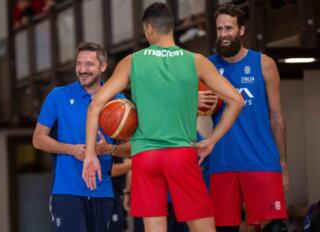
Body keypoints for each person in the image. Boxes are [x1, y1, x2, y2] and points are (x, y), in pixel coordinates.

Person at [82, 2, 244, 232]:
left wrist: (90, 154)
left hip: (145, 156)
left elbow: (95, 105)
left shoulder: (132, 61)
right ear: (171, 27)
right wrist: (211, 140)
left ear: (149, 29)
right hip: (181, 153)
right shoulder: (195, 60)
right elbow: (237, 100)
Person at [198, 4, 289, 232]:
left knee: (274, 227)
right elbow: (187, 106)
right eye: (219, 29)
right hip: (222, 163)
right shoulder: (206, 67)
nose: (223, 35)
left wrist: (283, 164)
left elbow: (277, 117)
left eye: (228, 28)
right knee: (224, 229)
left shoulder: (264, 64)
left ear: (241, 30)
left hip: (262, 160)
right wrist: (193, 103)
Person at [32, 42, 130, 232]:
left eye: (89, 64)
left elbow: (135, 147)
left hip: (103, 193)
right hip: (67, 192)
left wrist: (108, 149)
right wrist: (71, 149)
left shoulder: (118, 102)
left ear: (103, 66)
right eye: (79, 64)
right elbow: (38, 139)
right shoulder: (58, 96)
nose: (82, 70)